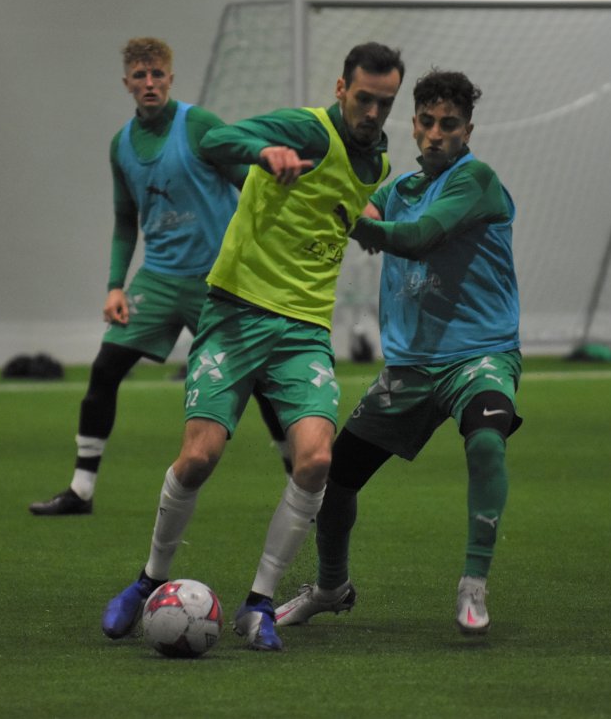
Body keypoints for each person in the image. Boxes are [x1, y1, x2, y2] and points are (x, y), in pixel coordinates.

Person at [100, 42, 405, 651]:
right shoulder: (306, 129)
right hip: (236, 314)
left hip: (304, 331)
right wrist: (262, 152)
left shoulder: (378, 163)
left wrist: (369, 227)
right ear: (341, 89)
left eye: (385, 102)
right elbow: (214, 142)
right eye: (363, 98)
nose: (373, 112)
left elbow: (344, 211)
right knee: (199, 457)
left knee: (315, 461)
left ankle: (259, 604)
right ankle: (148, 580)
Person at [274, 68, 521, 637]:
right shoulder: (399, 188)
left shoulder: (476, 179)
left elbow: (420, 236)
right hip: (410, 368)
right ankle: (331, 587)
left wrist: (356, 223)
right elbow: (362, 213)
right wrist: (317, 192)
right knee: (335, 479)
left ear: (467, 131)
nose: (436, 134)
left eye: (449, 125)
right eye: (427, 122)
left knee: (487, 441)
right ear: (412, 124)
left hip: (479, 356)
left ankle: (473, 582)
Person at [29, 37, 286, 517]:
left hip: (218, 280)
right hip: (159, 280)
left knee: (261, 380)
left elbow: (250, 184)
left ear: (171, 78)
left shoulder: (199, 125)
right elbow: (125, 220)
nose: (149, 83)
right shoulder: (121, 146)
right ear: (126, 83)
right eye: (140, 76)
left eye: (157, 74)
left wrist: (263, 247)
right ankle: (80, 491)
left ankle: (305, 486)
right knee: (105, 369)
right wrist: (115, 285)